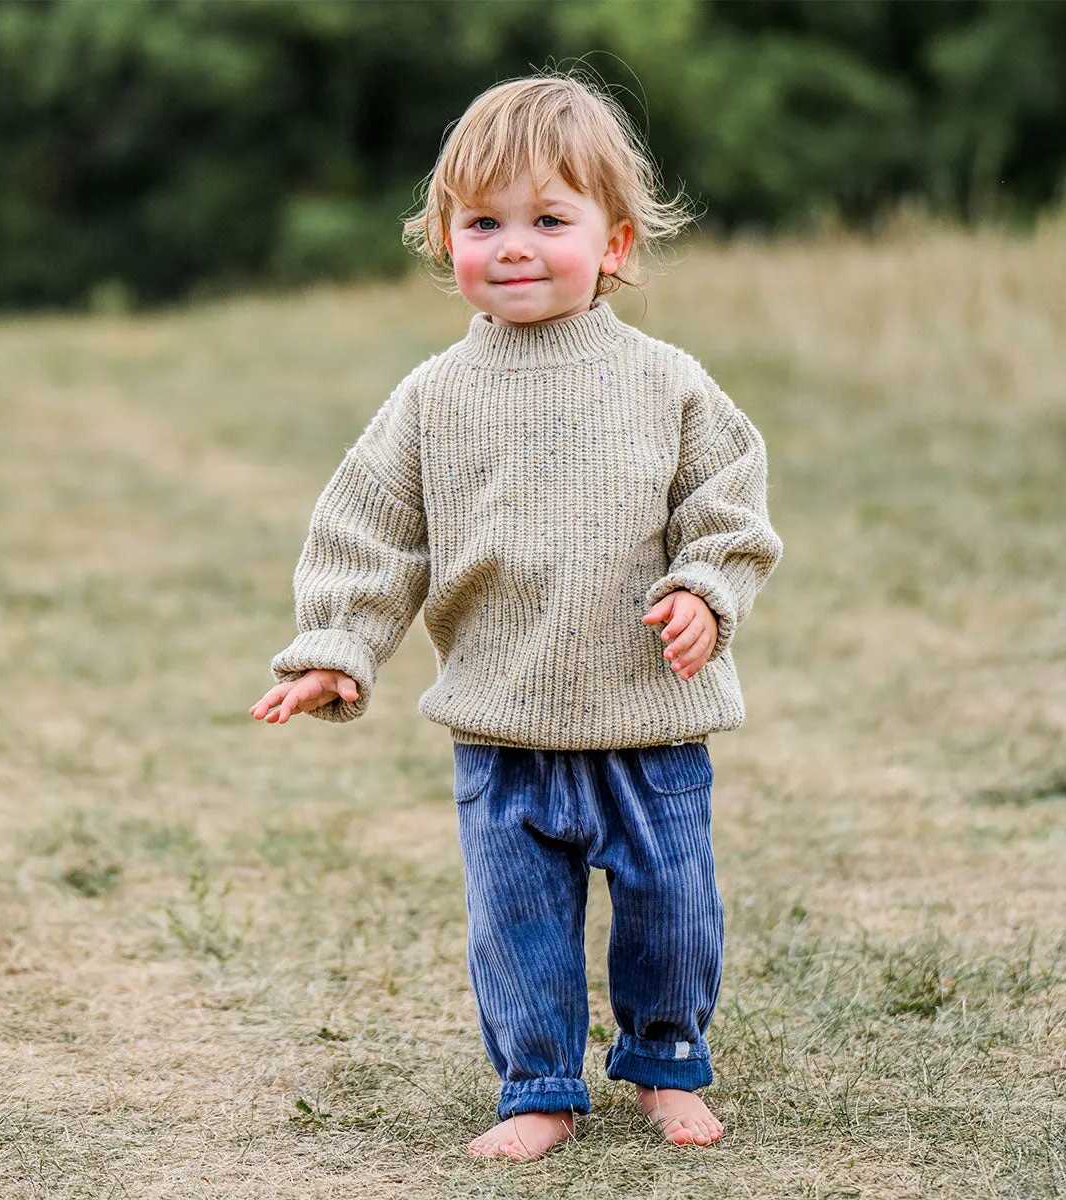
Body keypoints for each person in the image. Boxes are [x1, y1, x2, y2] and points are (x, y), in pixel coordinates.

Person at [250, 70, 782, 1162]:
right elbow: (372, 529)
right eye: (484, 222)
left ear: (617, 242)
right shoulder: (434, 397)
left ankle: (665, 1061)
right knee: (520, 930)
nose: (516, 246)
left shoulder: (665, 382)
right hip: (504, 731)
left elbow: (727, 501)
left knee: (672, 919)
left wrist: (703, 590)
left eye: (550, 219)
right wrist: (338, 647)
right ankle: (537, 1085)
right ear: (445, 239)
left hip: (649, 728)